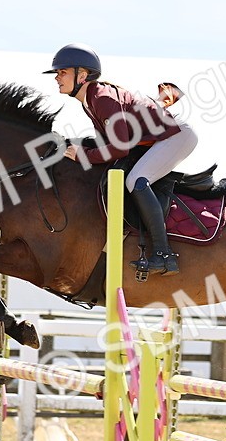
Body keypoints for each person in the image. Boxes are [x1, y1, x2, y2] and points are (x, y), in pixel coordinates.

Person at [44, 43, 197, 276]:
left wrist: (82, 155)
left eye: (62, 72)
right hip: (161, 137)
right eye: (57, 73)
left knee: (136, 180)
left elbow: (119, 148)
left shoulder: (102, 98)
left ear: (82, 76)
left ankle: (164, 254)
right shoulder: (91, 100)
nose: (57, 77)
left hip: (176, 136)